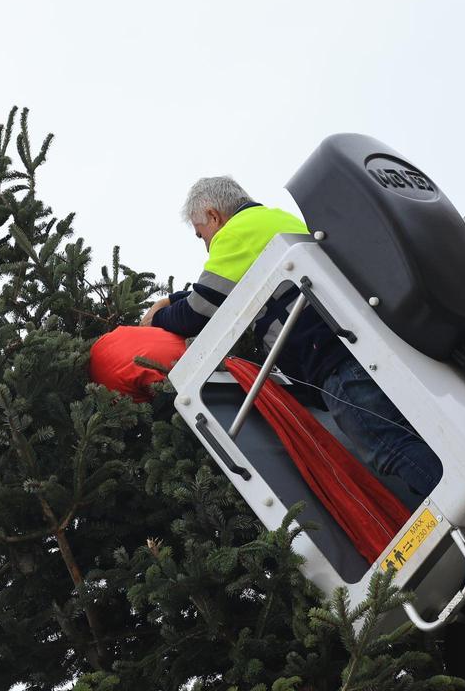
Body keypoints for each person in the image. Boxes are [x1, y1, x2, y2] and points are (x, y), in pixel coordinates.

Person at [142, 176, 443, 499]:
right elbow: (217, 290)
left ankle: (464, 507)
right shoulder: (275, 218)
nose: (206, 245)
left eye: (202, 235)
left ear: (214, 216)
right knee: (414, 433)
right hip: (357, 339)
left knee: (389, 447)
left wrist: (155, 316)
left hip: (329, 360)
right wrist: (173, 297)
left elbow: (196, 312)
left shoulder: (235, 234)